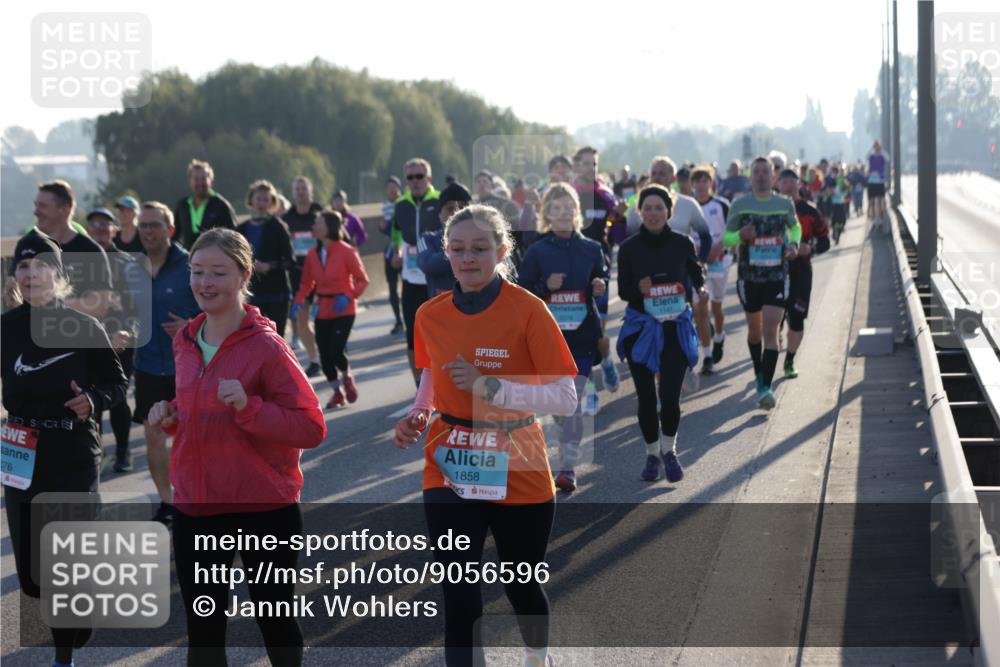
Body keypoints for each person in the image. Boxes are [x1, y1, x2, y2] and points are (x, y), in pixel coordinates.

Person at [393, 204, 578, 667]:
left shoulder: (529, 310)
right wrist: (419, 412)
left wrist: (493, 388)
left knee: (521, 583)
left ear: (501, 250)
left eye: (479, 248)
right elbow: (433, 370)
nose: (467, 258)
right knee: (458, 590)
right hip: (451, 455)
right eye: (457, 249)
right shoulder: (429, 314)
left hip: (518, 456)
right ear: (446, 253)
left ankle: (536, 657)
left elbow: (566, 398)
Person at [147, 228, 325, 666]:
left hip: (263, 505)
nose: (204, 283)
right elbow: (197, 404)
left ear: (244, 275)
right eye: (197, 271)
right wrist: (172, 413)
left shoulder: (267, 346)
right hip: (196, 504)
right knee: (203, 630)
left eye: (218, 272)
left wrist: (250, 407)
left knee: (274, 620)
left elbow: (311, 428)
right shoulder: (185, 339)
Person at [3, 230, 128, 667]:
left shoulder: (83, 326)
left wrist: (93, 400)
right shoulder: (6, 328)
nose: (30, 273)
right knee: (33, 578)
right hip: (20, 449)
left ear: (57, 276)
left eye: (41, 266)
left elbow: (116, 383)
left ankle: (63, 657)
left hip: (72, 450)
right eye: (23, 266)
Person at [517, 183, 608, 492]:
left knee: (574, 402)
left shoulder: (591, 248)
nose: (564, 213)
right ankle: (562, 441)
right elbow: (522, 292)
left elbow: (601, 277)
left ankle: (568, 467)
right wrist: (545, 287)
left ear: (577, 212)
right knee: (560, 407)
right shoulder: (537, 251)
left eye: (569, 207)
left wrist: (599, 285)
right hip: (549, 338)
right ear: (546, 214)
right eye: (556, 209)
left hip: (582, 335)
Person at [616, 185, 702, 483]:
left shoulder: (682, 243)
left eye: (659, 208)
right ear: (640, 212)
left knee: (669, 396)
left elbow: (696, 274)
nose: (653, 213)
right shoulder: (629, 248)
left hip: (674, 328)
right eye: (648, 208)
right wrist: (637, 290)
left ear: (669, 211)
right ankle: (652, 455)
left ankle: (669, 451)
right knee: (646, 397)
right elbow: (623, 291)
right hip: (641, 328)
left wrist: (699, 288)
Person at [133, 202, 201, 521]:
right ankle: (168, 503)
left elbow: (218, 308)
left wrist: (190, 325)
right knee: (153, 435)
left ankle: (197, 496)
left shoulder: (190, 265)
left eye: (154, 225)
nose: (147, 231)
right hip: (147, 367)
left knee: (192, 437)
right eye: (143, 225)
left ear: (170, 229)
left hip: (186, 367)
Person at [723, 157, 802, 411]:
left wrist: (793, 245)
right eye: (756, 172)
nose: (760, 176)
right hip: (749, 277)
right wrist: (740, 235)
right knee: (755, 332)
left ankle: (766, 388)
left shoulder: (784, 203)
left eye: (765, 172)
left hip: (777, 276)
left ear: (773, 176)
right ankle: (759, 371)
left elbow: (795, 228)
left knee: (771, 329)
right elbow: (726, 238)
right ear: (750, 176)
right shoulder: (740, 204)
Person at [292, 211, 370, 408]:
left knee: (336, 351)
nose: (314, 226)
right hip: (323, 309)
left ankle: (347, 376)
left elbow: (362, 280)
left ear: (330, 227)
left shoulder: (347, 251)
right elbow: (307, 283)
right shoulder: (312, 254)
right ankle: (337, 393)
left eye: (318, 223)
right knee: (325, 357)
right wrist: (298, 301)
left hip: (344, 308)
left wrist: (349, 296)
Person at [85, 207, 143, 472]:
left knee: (118, 398)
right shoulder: (78, 261)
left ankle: (123, 451)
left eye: (105, 224)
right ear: (88, 230)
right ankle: (95, 452)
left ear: (114, 230)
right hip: (87, 338)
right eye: (95, 224)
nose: (100, 228)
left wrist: (129, 330)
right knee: (90, 399)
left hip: (120, 338)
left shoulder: (127, 263)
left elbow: (138, 304)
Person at [573, 146, 621, 403]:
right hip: (572, 270)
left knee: (598, 333)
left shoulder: (606, 197)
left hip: (599, 270)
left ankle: (607, 360)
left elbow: (616, 233)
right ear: (576, 166)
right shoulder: (568, 195)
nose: (590, 168)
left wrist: (620, 218)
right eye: (585, 163)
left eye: (594, 164)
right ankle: (589, 390)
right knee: (578, 332)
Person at [33, 180, 114, 322]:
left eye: (43, 206)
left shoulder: (91, 251)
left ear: (65, 209)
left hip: (78, 333)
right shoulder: (30, 247)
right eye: (36, 205)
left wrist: (49, 305)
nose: (36, 212)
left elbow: (100, 306)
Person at [391, 157, 441, 386]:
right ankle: (419, 386)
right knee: (412, 335)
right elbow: (396, 234)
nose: (415, 181)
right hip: (411, 278)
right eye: (410, 177)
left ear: (428, 178)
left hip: (436, 276)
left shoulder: (439, 200)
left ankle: (441, 383)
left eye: (419, 176)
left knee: (439, 334)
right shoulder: (401, 204)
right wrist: (396, 252)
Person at [777, 169, 830, 378]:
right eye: (785, 181)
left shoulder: (810, 211)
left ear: (799, 184)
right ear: (778, 184)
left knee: (797, 320)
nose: (789, 185)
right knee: (774, 319)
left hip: (801, 272)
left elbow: (825, 241)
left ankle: (789, 360)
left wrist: (811, 249)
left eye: (793, 181)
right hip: (774, 273)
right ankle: (773, 344)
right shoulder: (770, 209)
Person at [237, 179, 295, 339]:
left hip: (277, 293)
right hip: (252, 293)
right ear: (251, 200)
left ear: (272, 203)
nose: (261, 203)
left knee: (276, 339)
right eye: (258, 199)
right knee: (254, 339)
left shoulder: (278, 226)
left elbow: (290, 261)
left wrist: (270, 266)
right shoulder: (241, 229)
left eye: (266, 199)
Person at [691, 167, 732, 372]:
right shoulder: (688, 206)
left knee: (716, 308)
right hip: (698, 263)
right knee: (701, 309)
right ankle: (707, 357)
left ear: (711, 183)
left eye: (704, 180)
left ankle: (719, 336)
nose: (701, 185)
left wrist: (718, 248)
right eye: (697, 181)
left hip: (720, 261)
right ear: (692, 184)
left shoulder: (721, 205)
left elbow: (731, 231)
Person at [283, 176, 324, 374]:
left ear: (310, 191)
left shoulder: (320, 215)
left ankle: (330, 351)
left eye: (303, 188)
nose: (300, 192)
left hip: (322, 274)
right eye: (297, 189)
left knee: (324, 321)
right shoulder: (287, 218)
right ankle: (315, 360)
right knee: (302, 320)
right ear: (293, 193)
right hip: (298, 275)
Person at [417, 181, 472, 297]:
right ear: (439, 214)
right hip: (442, 306)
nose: (457, 213)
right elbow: (428, 264)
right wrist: (465, 250)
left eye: (462, 208)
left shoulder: (485, 238)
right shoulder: (427, 239)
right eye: (450, 208)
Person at [173, 159, 238, 249]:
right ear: (190, 182)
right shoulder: (182, 205)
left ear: (211, 181)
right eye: (196, 179)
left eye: (203, 178)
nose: (200, 183)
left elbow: (234, 236)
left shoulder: (222, 205)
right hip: (188, 257)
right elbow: (174, 235)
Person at [380, 176, 405, 335]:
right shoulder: (385, 206)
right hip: (390, 249)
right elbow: (384, 227)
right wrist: (383, 227)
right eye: (389, 187)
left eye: (394, 187)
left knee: (408, 286)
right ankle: (398, 320)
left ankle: (412, 318)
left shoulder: (405, 203)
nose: (392, 190)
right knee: (392, 287)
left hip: (405, 248)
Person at [866, 142, 889, 224]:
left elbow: (888, 158)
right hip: (872, 181)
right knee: (872, 201)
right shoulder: (871, 156)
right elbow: (867, 156)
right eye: (876, 146)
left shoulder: (882, 156)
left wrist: (881, 149)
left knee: (879, 200)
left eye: (878, 146)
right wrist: (872, 148)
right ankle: (874, 217)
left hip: (880, 181)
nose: (877, 148)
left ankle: (879, 217)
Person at [827, 164, 849, 244]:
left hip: (841, 203)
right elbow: (828, 192)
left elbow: (847, 190)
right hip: (833, 204)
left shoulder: (842, 180)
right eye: (832, 172)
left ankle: (838, 236)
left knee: (841, 220)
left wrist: (842, 192)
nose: (834, 174)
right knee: (834, 220)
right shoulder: (830, 181)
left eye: (835, 172)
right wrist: (831, 192)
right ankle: (834, 231)